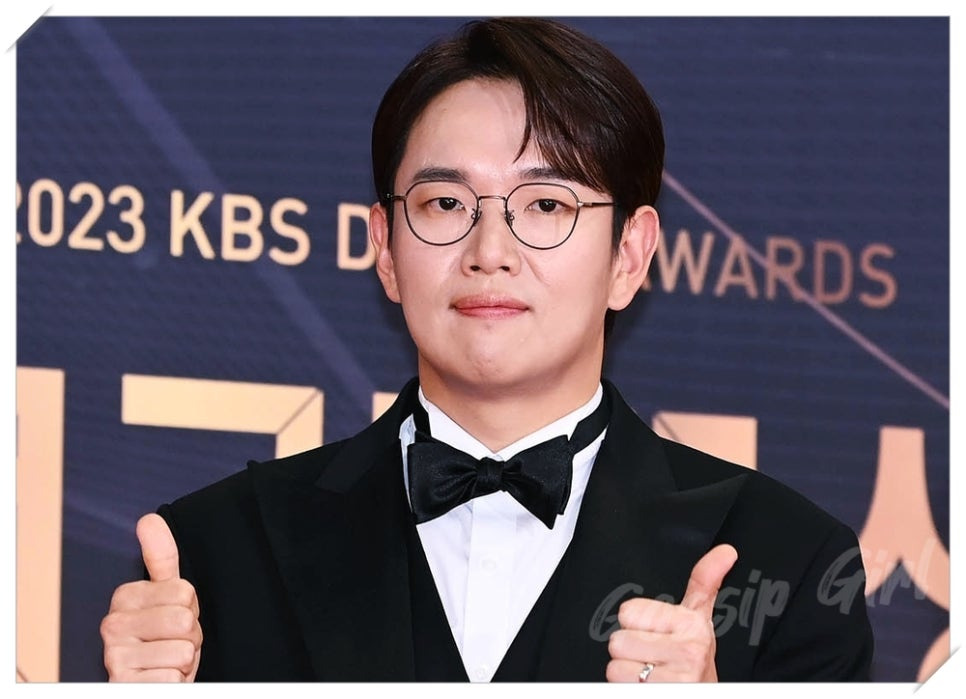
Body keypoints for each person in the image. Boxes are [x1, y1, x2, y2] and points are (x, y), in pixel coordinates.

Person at [100, 17, 874, 682]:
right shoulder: (216, 556)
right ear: (385, 248)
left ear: (629, 255)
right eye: (446, 203)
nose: (490, 251)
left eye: (546, 205)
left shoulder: (790, 565)